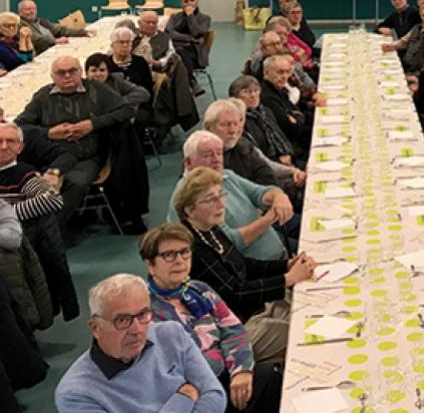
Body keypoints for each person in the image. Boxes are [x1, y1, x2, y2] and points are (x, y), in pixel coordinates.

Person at [140, 224, 282, 412]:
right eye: (169, 255)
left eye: (185, 252)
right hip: (194, 391)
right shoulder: (144, 309)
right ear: (150, 265)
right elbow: (168, 367)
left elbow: (234, 330)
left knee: (272, 379)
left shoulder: (199, 289)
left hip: (226, 373)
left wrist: (241, 370)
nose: (180, 260)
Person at [56, 275, 227, 412]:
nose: (137, 329)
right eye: (122, 320)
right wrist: (184, 397)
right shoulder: (76, 394)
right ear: (95, 328)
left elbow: (215, 395)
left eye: (143, 315)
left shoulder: (171, 334)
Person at [173, 166, 314, 323]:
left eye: (221, 195)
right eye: (211, 199)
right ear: (191, 210)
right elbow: (235, 294)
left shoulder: (210, 228)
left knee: (311, 300)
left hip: (253, 307)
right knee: (303, 323)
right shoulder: (194, 248)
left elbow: (243, 265)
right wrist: (288, 278)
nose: (221, 204)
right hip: (236, 324)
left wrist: (286, 265)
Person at [16, 56, 136, 225]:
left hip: (85, 158)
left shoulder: (97, 90)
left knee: (75, 184)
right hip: (51, 158)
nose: (67, 76)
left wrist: (92, 124)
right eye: (61, 73)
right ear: (52, 76)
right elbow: (20, 126)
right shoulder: (43, 96)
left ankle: (50, 229)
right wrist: (48, 132)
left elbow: (126, 109)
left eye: (72, 71)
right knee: (24, 180)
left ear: (81, 72)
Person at [0, 120, 78, 319]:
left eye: (10, 141)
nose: (4, 146)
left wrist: (4, 214)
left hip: (16, 249)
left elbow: (53, 200)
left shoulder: (25, 175)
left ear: (20, 148)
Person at [169, 131, 293, 262]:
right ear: (188, 162)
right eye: (208, 155)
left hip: (279, 251)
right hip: (258, 269)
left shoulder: (226, 175)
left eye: (219, 153)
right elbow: (229, 241)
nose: (216, 160)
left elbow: (258, 193)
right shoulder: (190, 196)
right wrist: (270, 217)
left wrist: (279, 196)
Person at [229, 76, 297, 166]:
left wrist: (288, 154)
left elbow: (281, 136)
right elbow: (254, 157)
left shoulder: (265, 111)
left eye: (256, 90)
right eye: (246, 92)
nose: (253, 95)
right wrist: (280, 163)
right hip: (269, 167)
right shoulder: (239, 122)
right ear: (235, 97)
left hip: (285, 159)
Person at [258, 55, 310, 148]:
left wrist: (296, 117)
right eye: (280, 72)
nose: (285, 76)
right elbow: (291, 130)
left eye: (287, 72)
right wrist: (296, 117)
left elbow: (297, 113)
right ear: (266, 73)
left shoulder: (280, 90)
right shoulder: (266, 96)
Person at [17, 0, 89, 55]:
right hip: (39, 55)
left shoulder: (41, 21)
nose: (31, 11)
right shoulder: (20, 24)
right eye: (28, 9)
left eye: (34, 9)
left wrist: (84, 32)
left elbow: (59, 29)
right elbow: (36, 39)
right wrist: (55, 41)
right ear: (20, 12)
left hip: (54, 49)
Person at [383, 3, 424, 74]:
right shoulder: (417, 27)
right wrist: (391, 46)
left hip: (417, 71)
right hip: (405, 64)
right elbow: (403, 42)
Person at [104, 27, 155, 103]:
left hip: (139, 105)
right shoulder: (106, 64)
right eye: (121, 42)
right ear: (112, 45)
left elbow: (148, 88)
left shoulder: (140, 62)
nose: (125, 45)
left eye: (128, 42)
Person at [166, 0, 212, 73]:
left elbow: (197, 34)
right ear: (181, 4)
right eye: (186, 1)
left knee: (179, 53)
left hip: (195, 53)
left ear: (196, 1)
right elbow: (170, 33)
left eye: (192, 0)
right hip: (174, 48)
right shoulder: (174, 17)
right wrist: (190, 38)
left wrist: (190, 16)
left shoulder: (205, 18)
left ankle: (189, 79)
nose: (189, 3)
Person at [85, 52, 150, 108]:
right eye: (93, 71)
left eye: (102, 70)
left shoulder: (116, 81)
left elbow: (143, 94)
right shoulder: (81, 87)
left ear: (108, 72)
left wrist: (119, 102)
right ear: (87, 73)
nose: (98, 74)